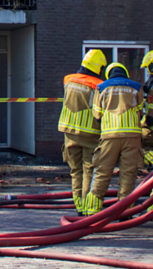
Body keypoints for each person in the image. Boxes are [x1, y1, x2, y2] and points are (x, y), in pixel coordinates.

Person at [82, 62, 143, 215]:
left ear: (109, 74)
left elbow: (97, 114)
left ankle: (93, 210)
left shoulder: (101, 88)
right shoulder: (136, 87)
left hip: (110, 136)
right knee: (128, 175)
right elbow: (141, 110)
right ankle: (125, 212)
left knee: (102, 172)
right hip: (132, 136)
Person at [58, 49, 107, 212]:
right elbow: (98, 110)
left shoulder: (68, 80)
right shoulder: (98, 85)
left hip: (69, 132)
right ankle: (87, 207)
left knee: (75, 171)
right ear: (98, 67)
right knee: (88, 171)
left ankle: (78, 206)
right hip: (89, 133)